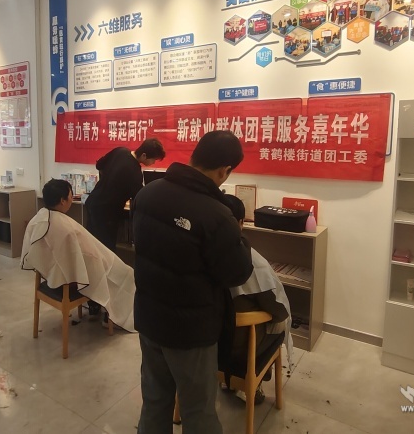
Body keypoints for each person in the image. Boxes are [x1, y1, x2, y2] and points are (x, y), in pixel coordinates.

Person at [132, 130, 254, 434]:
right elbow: (237, 273)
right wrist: (241, 240)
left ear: (194, 155)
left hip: (149, 318)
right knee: (198, 411)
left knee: (154, 401)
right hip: (190, 332)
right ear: (225, 171)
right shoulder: (218, 216)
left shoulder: (147, 194)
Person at [21, 179, 136, 331]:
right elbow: (91, 254)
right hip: (70, 279)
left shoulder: (37, 220)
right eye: (70, 196)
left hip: (52, 274)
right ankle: (113, 316)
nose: (71, 199)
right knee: (125, 274)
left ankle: (95, 307)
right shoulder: (66, 228)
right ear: (62, 201)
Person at [222, 195, 294, 405]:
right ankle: (252, 385)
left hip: (205, 337)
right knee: (279, 324)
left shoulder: (196, 250)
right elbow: (278, 310)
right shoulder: (252, 262)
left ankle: (228, 381)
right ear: (240, 223)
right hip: (237, 346)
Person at [84, 138, 165, 318]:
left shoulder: (120, 150)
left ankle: (92, 301)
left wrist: (108, 183)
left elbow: (99, 165)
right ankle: (105, 305)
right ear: (144, 155)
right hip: (106, 215)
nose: (153, 164)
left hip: (93, 204)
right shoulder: (135, 173)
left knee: (92, 254)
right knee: (107, 258)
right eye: (153, 160)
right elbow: (140, 199)